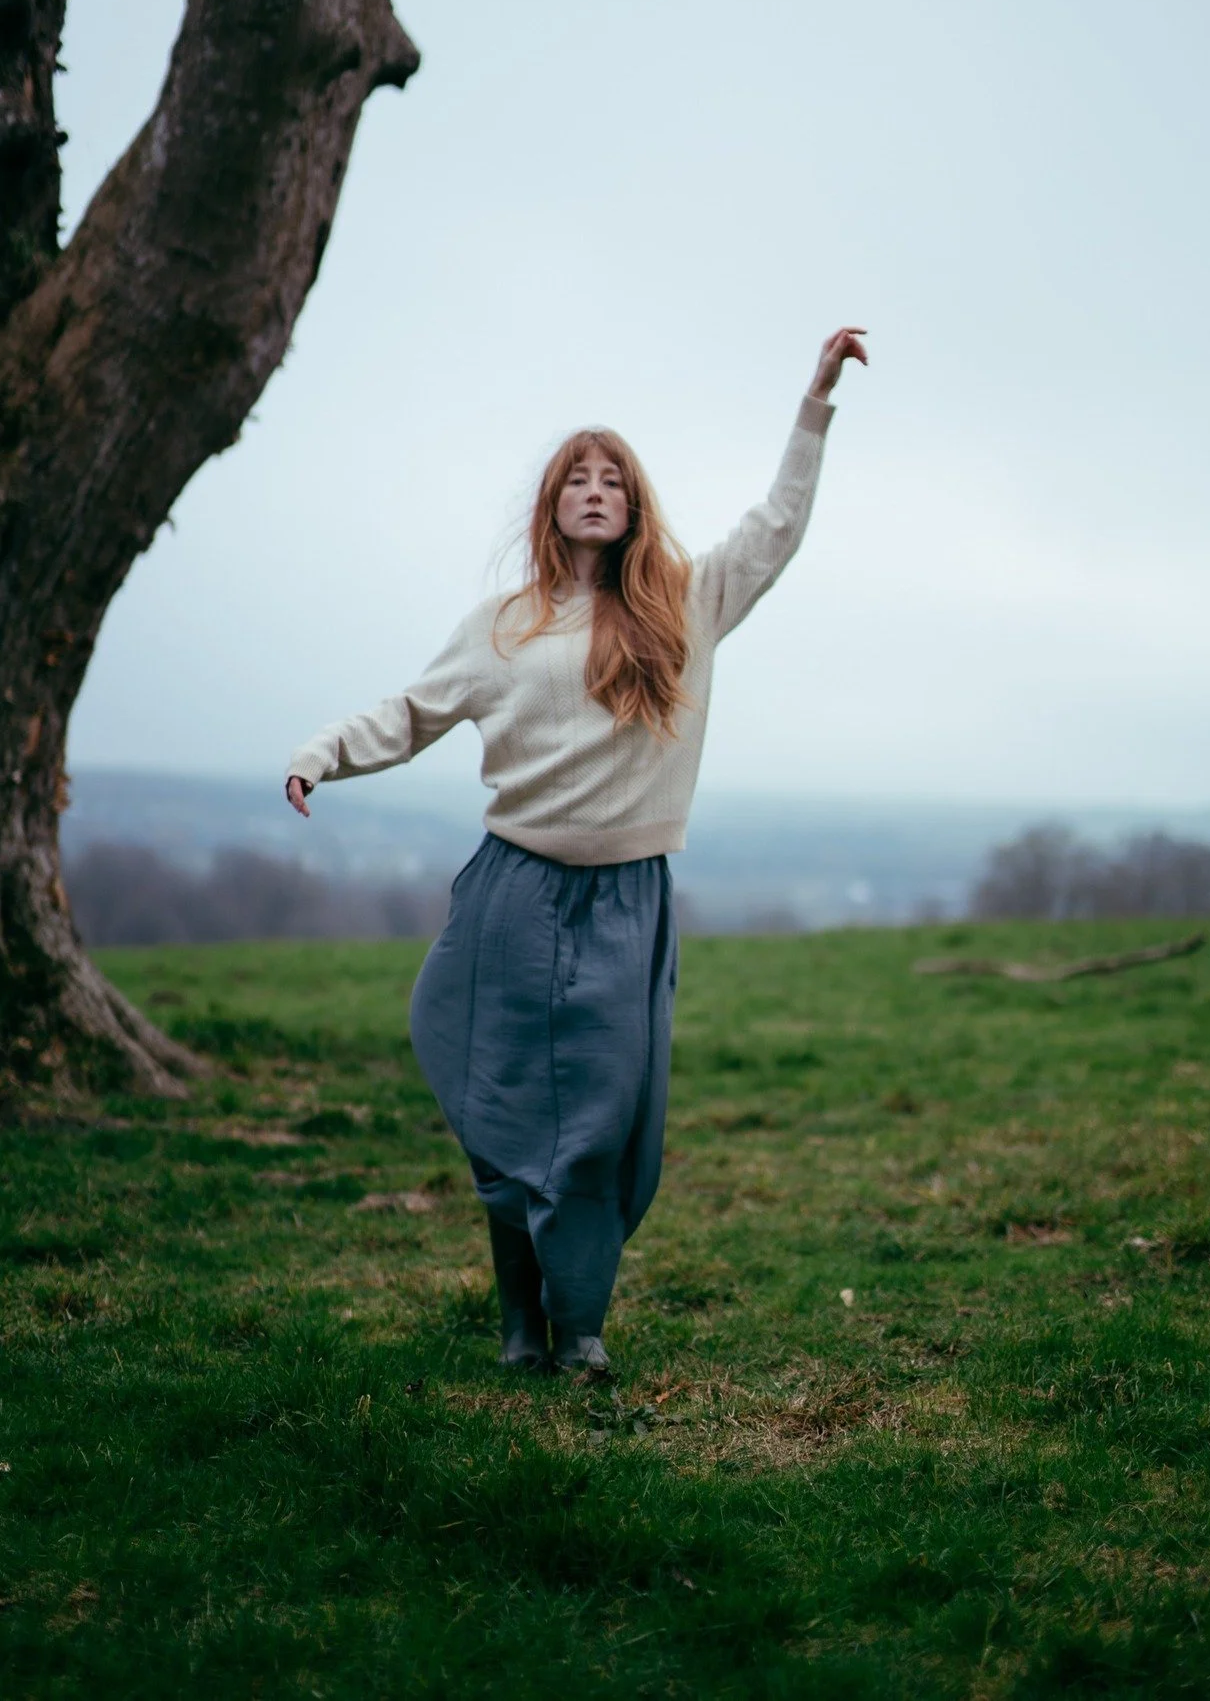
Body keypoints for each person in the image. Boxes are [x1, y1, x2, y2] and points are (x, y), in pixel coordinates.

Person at [285, 326, 867, 1372]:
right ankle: (522, 1325)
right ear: (553, 505)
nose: (596, 490)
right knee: (506, 1119)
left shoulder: (686, 605)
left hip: (625, 901)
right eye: (576, 479)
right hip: (513, 893)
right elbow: (413, 712)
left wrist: (814, 405)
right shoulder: (502, 625)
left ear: (634, 505)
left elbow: (776, 528)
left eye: (614, 479)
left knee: (599, 1125)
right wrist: (323, 752)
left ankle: (582, 1323)